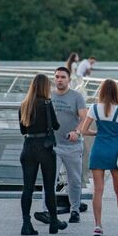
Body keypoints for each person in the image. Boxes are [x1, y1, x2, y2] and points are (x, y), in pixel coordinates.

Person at [79, 79, 118, 236]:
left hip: (98, 150)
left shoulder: (94, 108)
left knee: (98, 189)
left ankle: (98, 225)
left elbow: (84, 130)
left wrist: (96, 133)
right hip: (115, 151)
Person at [34, 68, 88, 225]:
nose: (59, 79)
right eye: (57, 77)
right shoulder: (48, 96)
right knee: (49, 179)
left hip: (72, 146)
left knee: (74, 181)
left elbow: (85, 118)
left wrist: (77, 131)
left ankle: (75, 210)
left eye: (63, 77)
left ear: (69, 79)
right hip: (53, 146)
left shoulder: (76, 96)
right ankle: (46, 211)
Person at [18, 74, 67, 235]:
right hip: (45, 148)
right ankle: (53, 222)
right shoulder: (46, 103)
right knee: (49, 187)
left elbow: (23, 130)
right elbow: (56, 125)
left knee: (27, 189)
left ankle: (26, 224)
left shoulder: (24, 105)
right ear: (45, 87)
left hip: (28, 148)